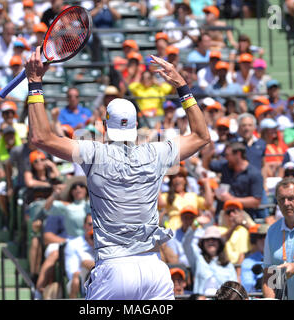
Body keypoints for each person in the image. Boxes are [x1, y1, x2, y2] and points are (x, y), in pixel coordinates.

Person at [25, 47, 210, 300]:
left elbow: (40, 137)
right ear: (136, 126)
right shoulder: (156, 153)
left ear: (104, 125)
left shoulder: (93, 153)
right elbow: (201, 137)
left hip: (114, 267)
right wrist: (182, 86)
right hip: (154, 269)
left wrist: (35, 84)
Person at [183, 224, 238, 296]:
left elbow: (234, 288)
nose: (211, 241)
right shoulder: (198, 259)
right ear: (203, 243)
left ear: (219, 243)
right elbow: (186, 244)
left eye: (214, 239)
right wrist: (196, 223)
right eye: (207, 239)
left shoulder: (228, 265)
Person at [64, 213, 95, 298]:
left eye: (96, 224)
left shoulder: (102, 243)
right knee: (76, 280)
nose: (93, 227)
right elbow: (73, 272)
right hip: (78, 281)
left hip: (99, 279)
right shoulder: (74, 244)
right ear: (84, 226)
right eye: (90, 224)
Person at [241, 224, 269, 293]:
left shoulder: (282, 260)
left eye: (267, 236)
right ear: (255, 240)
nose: (264, 240)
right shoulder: (248, 262)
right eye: (261, 237)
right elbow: (247, 287)